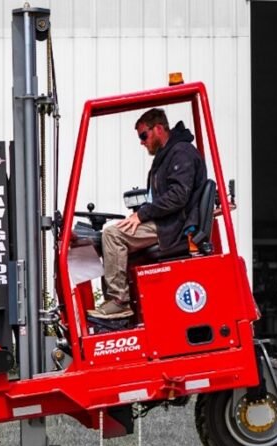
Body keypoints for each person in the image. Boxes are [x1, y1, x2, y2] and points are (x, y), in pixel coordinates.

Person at [88, 108, 207, 319]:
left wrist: (142, 215)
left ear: (159, 129)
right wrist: (139, 214)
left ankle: (119, 301)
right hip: (165, 221)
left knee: (112, 235)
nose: (142, 142)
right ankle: (113, 303)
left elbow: (178, 196)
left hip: (174, 227)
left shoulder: (181, 153)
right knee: (106, 235)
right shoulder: (167, 155)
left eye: (144, 135)